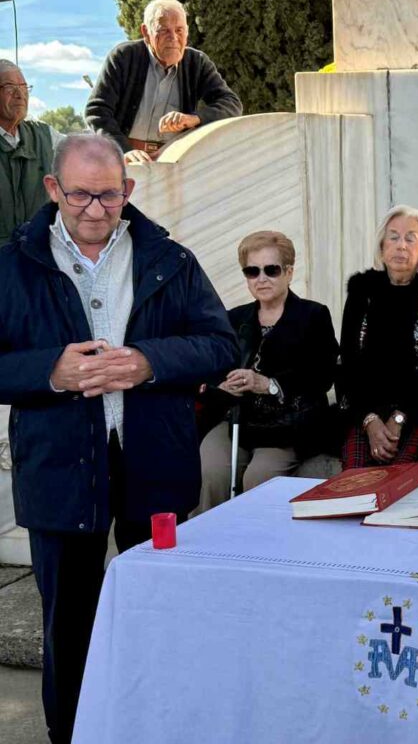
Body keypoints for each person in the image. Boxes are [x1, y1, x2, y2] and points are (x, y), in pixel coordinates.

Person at [0, 133, 235, 743]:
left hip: (154, 463)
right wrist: (48, 371)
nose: (95, 210)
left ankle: (157, 725)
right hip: (58, 467)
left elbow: (219, 345)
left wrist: (148, 363)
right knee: (69, 621)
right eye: (79, 195)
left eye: (108, 195)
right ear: (53, 189)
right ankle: (71, 732)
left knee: (158, 610)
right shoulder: (11, 264)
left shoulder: (171, 258)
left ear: (128, 191)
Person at [198, 231, 338, 511]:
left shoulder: (313, 315)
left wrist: (269, 383)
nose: (261, 279)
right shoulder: (234, 318)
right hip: (237, 418)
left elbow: (322, 374)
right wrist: (223, 385)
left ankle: (258, 548)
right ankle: (204, 545)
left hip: (287, 424)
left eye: (271, 270)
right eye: (252, 271)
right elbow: (212, 367)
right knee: (211, 471)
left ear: (288, 273)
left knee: (258, 479)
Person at [337, 206, 418, 467]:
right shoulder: (362, 294)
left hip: (417, 414)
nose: (401, 246)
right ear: (382, 247)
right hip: (366, 414)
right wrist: (369, 420)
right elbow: (348, 364)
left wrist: (400, 418)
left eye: (410, 238)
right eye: (393, 237)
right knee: (354, 483)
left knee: (400, 481)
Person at [85, 0, 242, 165]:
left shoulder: (197, 62)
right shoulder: (124, 56)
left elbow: (231, 103)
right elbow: (97, 111)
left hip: (174, 162)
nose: (173, 38)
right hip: (124, 161)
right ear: (146, 32)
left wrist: (194, 118)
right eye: (164, 30)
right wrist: (125, 151)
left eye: (179, 30)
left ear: (187, 31)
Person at [0, 59, 65, 246]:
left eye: (24, 86)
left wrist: (123, 154)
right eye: (10, 87)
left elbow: (83, 151)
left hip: (38, 255)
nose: (20, 94)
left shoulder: (45, 136)